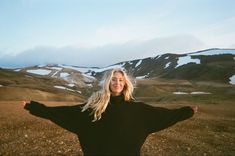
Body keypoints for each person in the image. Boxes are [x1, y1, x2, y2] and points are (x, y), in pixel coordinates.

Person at [23, 68, 198, 155]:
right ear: (108, 82)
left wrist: (186, 112)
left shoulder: (137, 109)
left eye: (121, 80)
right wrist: (35, 107)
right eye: (114, 79)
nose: (117, 82)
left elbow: (163, 115)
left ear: (125, 84)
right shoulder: (94, 106)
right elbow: (65, 113)